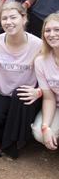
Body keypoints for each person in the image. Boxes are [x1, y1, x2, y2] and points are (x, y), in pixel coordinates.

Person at [0, 2, 42, 157]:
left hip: (26, 97)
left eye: (13, 17)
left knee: (21, 94)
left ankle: (13, 144)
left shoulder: (38, 44)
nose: (8, 22)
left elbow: (46, 75)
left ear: (24, 19)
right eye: (4, 18)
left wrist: (38, 92)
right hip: (2, 93)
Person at [31, 13, 59, 150]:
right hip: (56, 105)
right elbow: (49, 98)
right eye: (48, 31)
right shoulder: (41, 61)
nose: (52, 34)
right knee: (39, 133)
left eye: (57, 30)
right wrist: (46, 127)